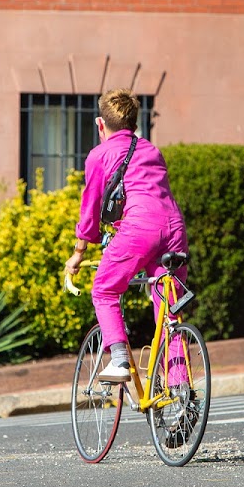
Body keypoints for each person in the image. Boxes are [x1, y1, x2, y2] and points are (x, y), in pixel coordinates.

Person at [64, 88, 189, 383]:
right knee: (168, 311)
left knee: (104, 290)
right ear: (135, 124)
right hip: (174, 229)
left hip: (139, 229)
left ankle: (119, 359)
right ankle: (181, 392)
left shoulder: (99, 154)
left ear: (100, 124)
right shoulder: (151, 150)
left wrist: (79, 252)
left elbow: (91, 207)